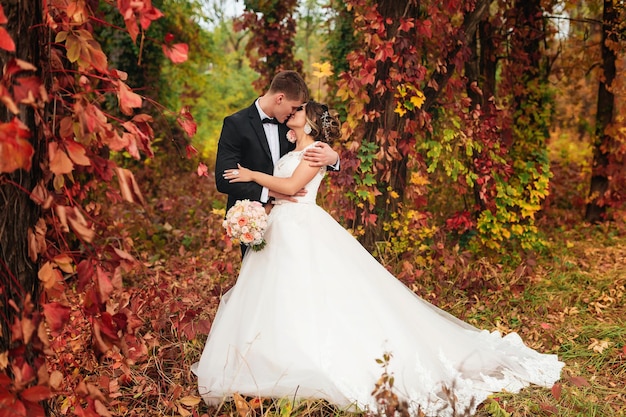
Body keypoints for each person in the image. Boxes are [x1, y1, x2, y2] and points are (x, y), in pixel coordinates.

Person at [193, 101, 564, 416]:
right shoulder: (291, 149)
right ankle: (271, 356)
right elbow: (281, 189)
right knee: (277, 295)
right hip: (279, 226)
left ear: (308, 121)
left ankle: (309, 358)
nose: (293, 111)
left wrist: (251, 174)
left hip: (303, 228)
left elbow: (292, 187)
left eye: (300, 109)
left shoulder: (315, 152)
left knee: (310, 292)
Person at [214, 70, 339, 215]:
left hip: (293, 216)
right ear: (279, 98)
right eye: (294, 107)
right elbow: (224, 179)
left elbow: (309, 154)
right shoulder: (236, 124)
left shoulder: (291, 125)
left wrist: (334, 158)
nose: (293, 112)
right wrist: (269, 192)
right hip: (248, 217)